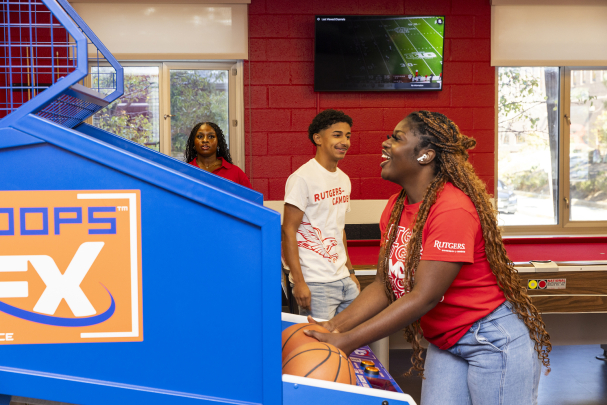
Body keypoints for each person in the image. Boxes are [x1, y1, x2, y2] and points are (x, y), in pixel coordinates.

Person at [305, 111, 552, 405]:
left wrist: (348, 341)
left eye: (396, 138)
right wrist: (333, 326)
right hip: (447, 340)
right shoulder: (395, 208)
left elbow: (424, 296)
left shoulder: (452, 209)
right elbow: (385, 285)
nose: (385, 144)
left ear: (425, 155)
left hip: (492, 339)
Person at [282, 109, 360, 320]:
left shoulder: (344, 179)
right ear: (318, 138)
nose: (345, 141)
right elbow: (288, 231)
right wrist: (299, 282)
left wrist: (350, 272)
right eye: (337, 135)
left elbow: (339, 229)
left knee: (350, 343)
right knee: (321, 348)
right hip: (315, 282)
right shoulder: (302, 178)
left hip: (344, 279)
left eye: (348, 136)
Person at [185, 122, 252, 188]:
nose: (205, 140)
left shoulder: (236, 172)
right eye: (200, 136)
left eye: (211, 136)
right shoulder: (185, 172)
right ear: (193, 143)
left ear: (218, 143)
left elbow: (251, 198)